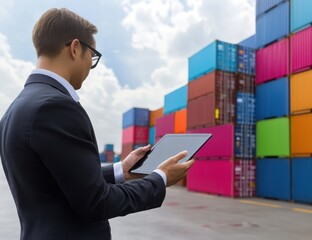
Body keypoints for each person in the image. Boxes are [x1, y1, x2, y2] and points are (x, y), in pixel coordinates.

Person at [0, 8, 194, 240]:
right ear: (75, 48)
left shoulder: (16, 108)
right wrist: (160, 179)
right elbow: (96, 202)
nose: (90, 69)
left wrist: (120, 170)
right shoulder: (55, 107)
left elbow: (61, 180)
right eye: (92, 56)